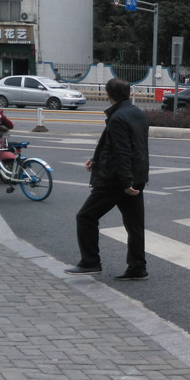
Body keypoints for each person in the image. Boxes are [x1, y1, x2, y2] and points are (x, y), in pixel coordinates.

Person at [65, 78, 150, 280]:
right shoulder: (137, 113)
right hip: (137, 176)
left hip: (116, 181)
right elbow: (127, 148)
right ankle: (137, 268)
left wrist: (126, 183)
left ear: (108, 95)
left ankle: (90, 262)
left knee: (85, 217)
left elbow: (123, 152)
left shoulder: (118, 118)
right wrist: (96, 161)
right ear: (128, 93)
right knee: (134, 225)